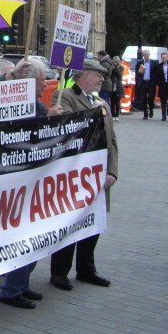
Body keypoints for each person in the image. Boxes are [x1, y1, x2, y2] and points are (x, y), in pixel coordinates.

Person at [49, 59, 118, 291]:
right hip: (75, 176)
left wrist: (113, 171)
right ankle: (59, 272)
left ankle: (86, 269)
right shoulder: (65, 96)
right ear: (83, 76)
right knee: (70, 223)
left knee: (93, 224)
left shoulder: (102, 103)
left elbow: (112, 141)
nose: (102, 79)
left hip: (99, 175)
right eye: (98, 75)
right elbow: (70, 127)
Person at [0, 59, 61, 310]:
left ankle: (21, 284)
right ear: (29, 81)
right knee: (22, 236)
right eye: (42, 78)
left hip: (34, 180)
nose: (46, 83)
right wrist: (47, 119)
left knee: (35, 235)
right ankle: (11, 289)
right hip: (19, 181)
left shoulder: (36, 104)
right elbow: (26, 137)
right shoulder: (17, 103)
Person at [135, 48, 155, 118]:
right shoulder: (139, 62)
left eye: (147, 54)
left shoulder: (154, 62)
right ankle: (145, 114)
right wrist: (139, 73)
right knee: (143, 99)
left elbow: (156, 73)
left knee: (150, 98)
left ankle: (151, 109)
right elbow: (136, 73)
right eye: (145, 54)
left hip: (151, 83)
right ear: (143, 55)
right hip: (143, 82)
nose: (146, 56)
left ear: (149, 55)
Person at [154, 51, 168, 122]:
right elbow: (156, 77)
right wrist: (159, 84)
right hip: (162, 86)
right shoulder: (159, 66)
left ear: (167, 58)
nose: (164, 59)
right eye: (163, 58)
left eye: (165, 58)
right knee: (163, 101)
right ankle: (164, 116)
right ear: (161, 59)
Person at [109, 55, 124, 120]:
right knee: (112, 102)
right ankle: (113, 115)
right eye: (114, 62)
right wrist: (113, 68)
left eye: (117, 62)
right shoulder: (111, 68)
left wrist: (116, 68)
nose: (115, 63)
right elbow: (110, 75)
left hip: (118, 86)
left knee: (117, 102)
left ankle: (116, 116)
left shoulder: (121, 68)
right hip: (112, 86)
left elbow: (119, 76)